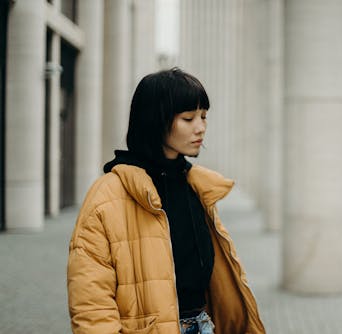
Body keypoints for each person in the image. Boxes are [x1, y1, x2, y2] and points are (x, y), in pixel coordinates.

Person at [67, 68, 266, 334]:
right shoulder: (108, 195)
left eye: (204, 116)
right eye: (188, 118)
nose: (201, 127)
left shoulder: (197, 186)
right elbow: (91, 303)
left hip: (204, 325)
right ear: (156, 120)